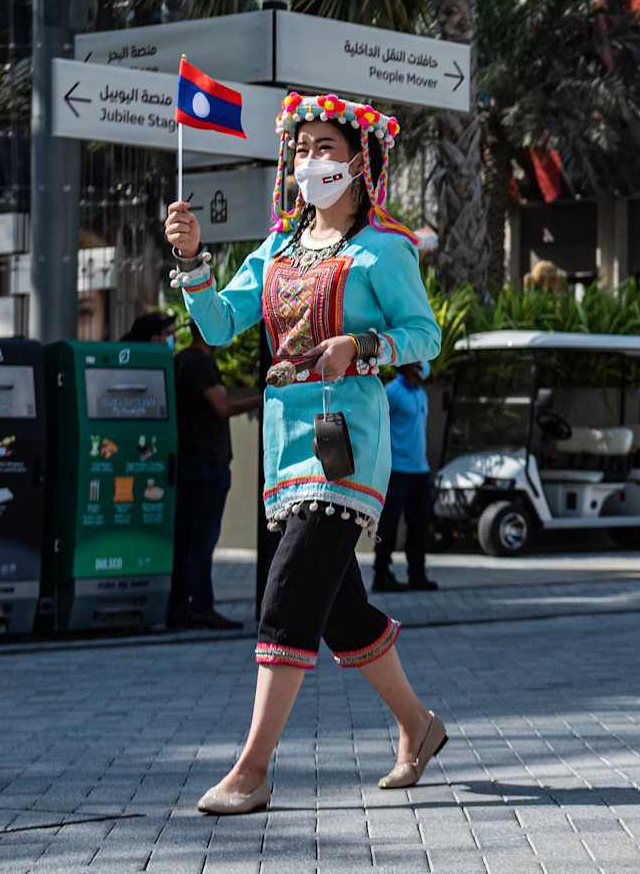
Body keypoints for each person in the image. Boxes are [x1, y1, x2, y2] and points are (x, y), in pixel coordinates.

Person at [164, 92, 446, 815]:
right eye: (302, 147)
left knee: (287, 594)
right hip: (284, 449)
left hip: (348, 446)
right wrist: (194, 259)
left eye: (325, 146)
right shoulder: (276, 250)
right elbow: (222, 325)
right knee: (336, 609)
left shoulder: (385, 249)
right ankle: (418, 725)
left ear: (359, 162)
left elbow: (425, 334)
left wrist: (365, 343)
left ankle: (252, 767)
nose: (309, 159)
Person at [171, 321, 261, 630]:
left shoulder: (180, 360)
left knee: (185, 537)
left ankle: (180, 606)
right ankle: (202, 607)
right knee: (203, 539)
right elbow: (222, 406)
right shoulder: (201, 363)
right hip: (207, 463)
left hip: (185, 459)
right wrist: (263, 398)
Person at [375, 362, 438, 594]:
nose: (424, 364)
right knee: (389, 522)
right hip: (397, 469)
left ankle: (417, 574)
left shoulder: (422, 395)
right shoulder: (392, 392)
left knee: (419, 524)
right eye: (420, 360)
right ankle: (382, 574)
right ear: (410, 364)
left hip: (420, 470)